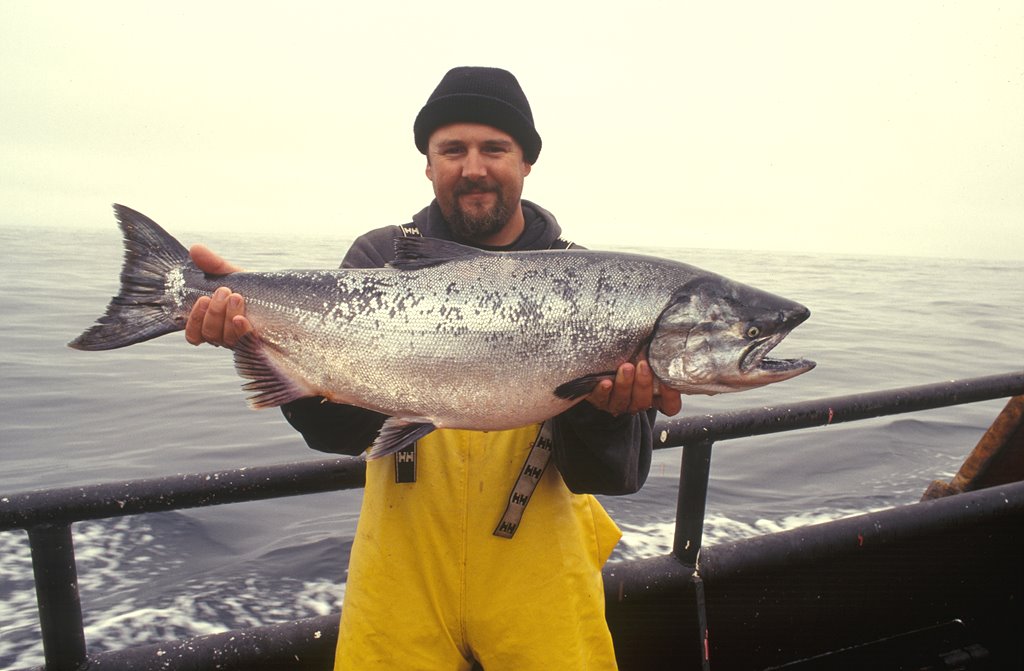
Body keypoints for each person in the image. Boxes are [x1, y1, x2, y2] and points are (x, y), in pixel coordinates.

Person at [184, 66, 682, 670]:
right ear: (428, 163)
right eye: (453, 150)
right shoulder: (381, 260)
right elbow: (333, 432)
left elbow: (615, 476)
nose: (474, 167)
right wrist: (253, 332)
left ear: (527, 162)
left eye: (495, 148)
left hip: (541, 575)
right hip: (403, 569)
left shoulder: (598, 288)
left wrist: (607, 412)